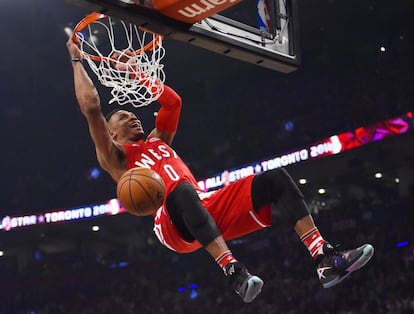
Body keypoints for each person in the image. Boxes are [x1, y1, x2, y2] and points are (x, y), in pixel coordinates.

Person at [66, 37, 374, 303]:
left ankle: (324, 258)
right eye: (122, 115)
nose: (132, 115)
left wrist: (137, 73)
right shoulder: (116, 158)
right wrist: (77, 59)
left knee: (275, 179)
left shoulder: (158, 141)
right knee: (183, 192)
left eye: (132, 112)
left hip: (204, 204)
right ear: (112, 132)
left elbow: (173, 103)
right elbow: (92, 107)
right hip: (170, 221)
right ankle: (233, 271)